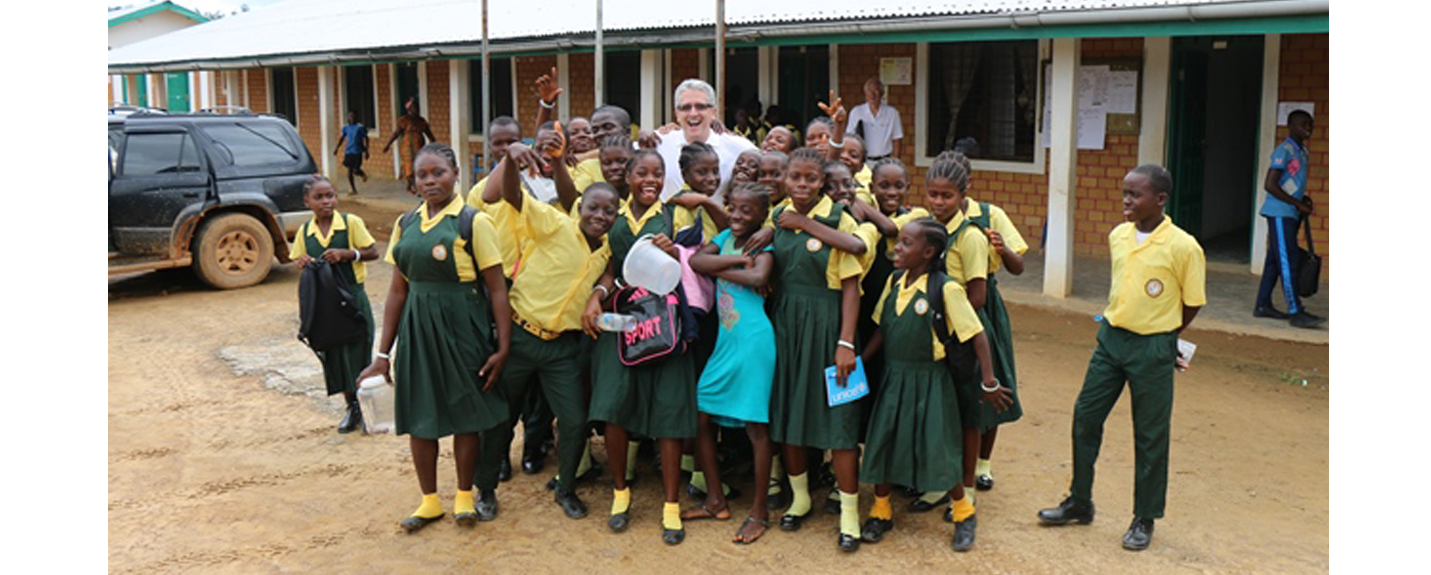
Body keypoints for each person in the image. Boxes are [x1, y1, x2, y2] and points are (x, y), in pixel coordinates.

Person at [1037, 164, 1206, 552]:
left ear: (1160, 200)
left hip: (1152, 348)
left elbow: (1192, 303)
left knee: (1150, 435)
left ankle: (1144, 517)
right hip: (1111, 341)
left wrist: (1164, 336)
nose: (1126, 201)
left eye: (1135, 194)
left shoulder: (1183, 246)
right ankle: (1080, 501)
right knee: (1085, 417)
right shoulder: (1118, 235)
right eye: (1125, 192)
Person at [356, 143, 512, 533]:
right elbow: (397, 292)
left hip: (464, 329)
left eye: (438, 172)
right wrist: (382, 353)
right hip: (418, 330)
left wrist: (503, 347)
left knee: (465, 414)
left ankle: (463, 496)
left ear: (456, 173)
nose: (429, 181)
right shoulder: (405, 224)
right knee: (420, 415)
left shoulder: (473, 223)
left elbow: (497, 289)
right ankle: (428, 501)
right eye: (421, 175)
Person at [476, 137, 619, 520]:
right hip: (521, 337)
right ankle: (486, 487)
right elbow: (511, 195)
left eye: (609, 211)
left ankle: (566, 486)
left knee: (574, 421)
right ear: (579, 208)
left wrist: (599, 292)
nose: (600, 216)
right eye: (593, 208)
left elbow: (610, 270)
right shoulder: (554, 223)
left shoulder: (606, 248)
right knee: (501, 418)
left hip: (562, 348)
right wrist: (510, 160)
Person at [858, 218, 1010, 551]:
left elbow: (977, 334)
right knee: (884, 439)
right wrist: (860, 361)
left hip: (931, 380)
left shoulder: (947, 289)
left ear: (928, 252)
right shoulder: (894, 282)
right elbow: (883, 329)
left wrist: (989, 380)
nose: (897, 248)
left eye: (906, 244)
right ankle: (880, 510)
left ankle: (963, 512)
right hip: (896, 377)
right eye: (898, 241)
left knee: (938, 447)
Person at [580, 149, 699, 545]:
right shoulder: (614, 215)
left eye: (658, 173)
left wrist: (675, 252)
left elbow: (700, 257)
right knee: (615, 409)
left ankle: (669, 504)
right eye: (641, 172)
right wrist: (597, 294)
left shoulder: (675, 215)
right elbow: (612, 267)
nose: (650, 179)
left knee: (669, 411)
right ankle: (620, 493)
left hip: (665, 323)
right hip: (623, 323)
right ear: (626, 177)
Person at [766, 147, 868, 552]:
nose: (803, 185)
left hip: (829, 328)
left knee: (840, 422)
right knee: (789, 411)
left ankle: (848, 514)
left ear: (823, 182)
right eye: (796, 178)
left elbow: (850, 288)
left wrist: (845, 342)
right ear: (785, 180)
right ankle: (801, 497)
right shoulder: (778, 217)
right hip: (786, 326)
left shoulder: (837, 220)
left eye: (811, 179)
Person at [682, 182, 778, 544]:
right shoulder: (725, 238)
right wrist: (735, 260)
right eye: (733, 208)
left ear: (762, 216)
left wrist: (717, 269)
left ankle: (759, 512)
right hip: (726, 344)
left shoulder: (764, 243)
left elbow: (759, 278)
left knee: (756, 428)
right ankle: (715, 499)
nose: (738, 216)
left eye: (747, 211)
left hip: (754, 343)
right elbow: (695, 261)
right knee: (701, 414)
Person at [915, 151, 994, 538]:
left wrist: (945, 308)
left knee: (965, 415)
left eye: (947, 195)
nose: (939, 202)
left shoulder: (972, 238)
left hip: (960, 334)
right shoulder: (926, 228)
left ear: (963, 195)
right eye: (933, 194)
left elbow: (978, 296)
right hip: (931, 333)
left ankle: (966, 487)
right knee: (938, 411)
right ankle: (938, 481)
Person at [947, 153, 1028, 494]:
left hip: (984, 303)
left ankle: (983, 463)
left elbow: (1018, 265)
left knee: (991, 378)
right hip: (949, 302)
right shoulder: (936, 216)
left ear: (967, 186)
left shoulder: (990, 214)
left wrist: (1003, 248)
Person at [291, 175, 380, 433]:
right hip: (325, 303)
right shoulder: (305, 232)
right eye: (318, 197)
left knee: (358, 352)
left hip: (352, 299)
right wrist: (304, 262)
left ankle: (367, 409)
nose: (326, 202)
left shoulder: (350, 223)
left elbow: (373, 252)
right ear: (307, 201)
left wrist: (348, 254)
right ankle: (351, 407)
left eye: (330, 195)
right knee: (335, 355)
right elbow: (298, 260)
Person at [1254, 109, 1323, 329]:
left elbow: (1290, 182)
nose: (1308, 128)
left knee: (1275, 260)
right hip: (1280, 213)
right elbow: (1270, 184)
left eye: (1310, 124)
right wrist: (1296, 203)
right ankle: (1296, 310)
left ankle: (1263, 304)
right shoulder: (1283, 151)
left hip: (1290, 212)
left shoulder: (1302, 151)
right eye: (1303, 124)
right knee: (1288, 260)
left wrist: (1302, 200)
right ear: (1290, 126)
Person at [646, 79, 758, 201]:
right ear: (677, 114)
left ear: (713, 113)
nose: (693, 113)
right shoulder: (658, 143)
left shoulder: (738, 148)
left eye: (700, 107)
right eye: (686, 107)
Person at [382, 98, 437, 194]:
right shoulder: (404, 121)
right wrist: (388, 145)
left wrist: (436, 145)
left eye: (417, 107)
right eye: (414, 107)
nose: (416, 109)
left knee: (418, 167)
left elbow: (429, 134)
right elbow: (396, 134)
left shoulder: (421, 121)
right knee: (409, 167)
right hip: (407, 148)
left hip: (419, 147)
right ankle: (417, 188)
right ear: (409, 109)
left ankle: (410, 186)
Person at [846, 78, 904, 162]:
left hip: (885, 160)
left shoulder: (892, 113)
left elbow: (897, 140)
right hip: (863, 161)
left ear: (882, 93)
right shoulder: (856, 112)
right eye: (869, 91)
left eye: (876, 91)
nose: (872, 95)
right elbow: (850, 138)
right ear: (865, 93)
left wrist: (895, 162)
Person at [332, 111, 369, 195]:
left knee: (356, 170)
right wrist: (337, 148)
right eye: (349, 117)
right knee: (349, 171)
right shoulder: (346, 128)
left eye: (353, 117)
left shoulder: (359, 128)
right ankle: (353, 189)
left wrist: (366, 150)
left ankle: (363, 174)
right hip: (349, 151)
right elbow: (342, 138)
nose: (351, 119)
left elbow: (366, 138)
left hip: (357, 151)